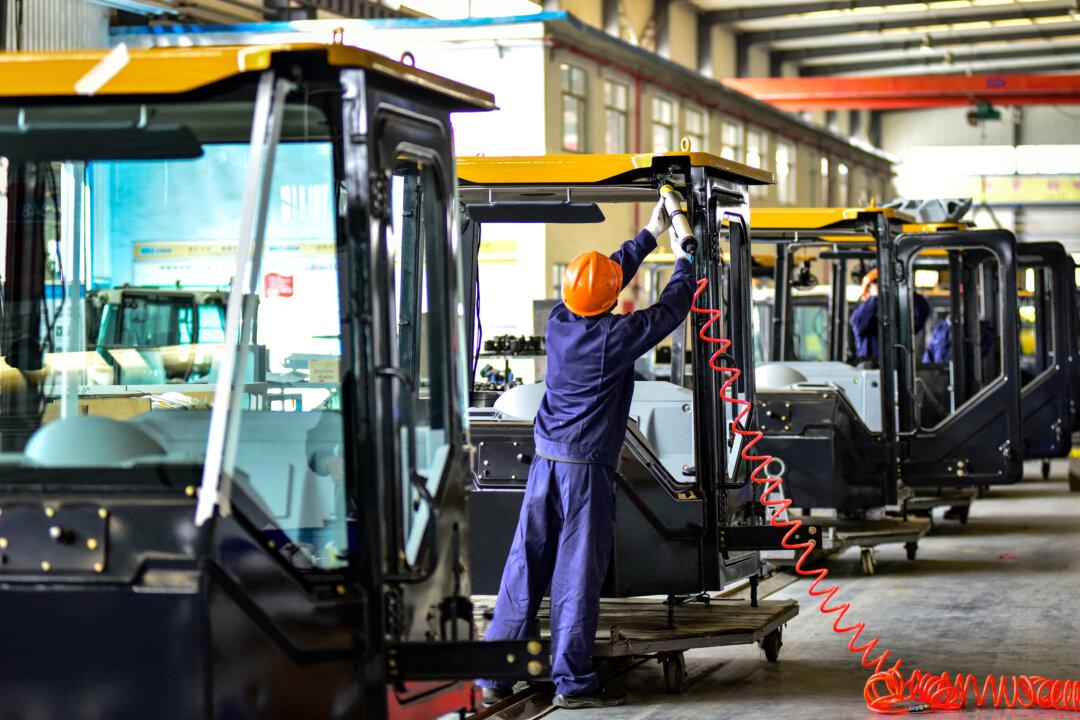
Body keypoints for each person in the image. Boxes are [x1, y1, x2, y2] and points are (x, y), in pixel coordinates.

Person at [476, 198, 694, 710]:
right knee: (576, 573)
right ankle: (572, 682)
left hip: (545, 464)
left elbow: (602, 280)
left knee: (525, 564)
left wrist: (648, 234)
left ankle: (496, 673)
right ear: (608, 303)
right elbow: (669, 311)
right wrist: (686, 257)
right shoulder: (613, 339)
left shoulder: (559, 321)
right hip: (584, 473)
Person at [849, 267, 929, 363]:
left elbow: (920, 314)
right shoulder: (862, 311)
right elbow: (858, 322)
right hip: (870, 367)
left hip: (897, 365)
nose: (884, 289)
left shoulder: (899, 313)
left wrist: (905, 290)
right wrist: (876, 297)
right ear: (868, 290)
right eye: (877, 284)